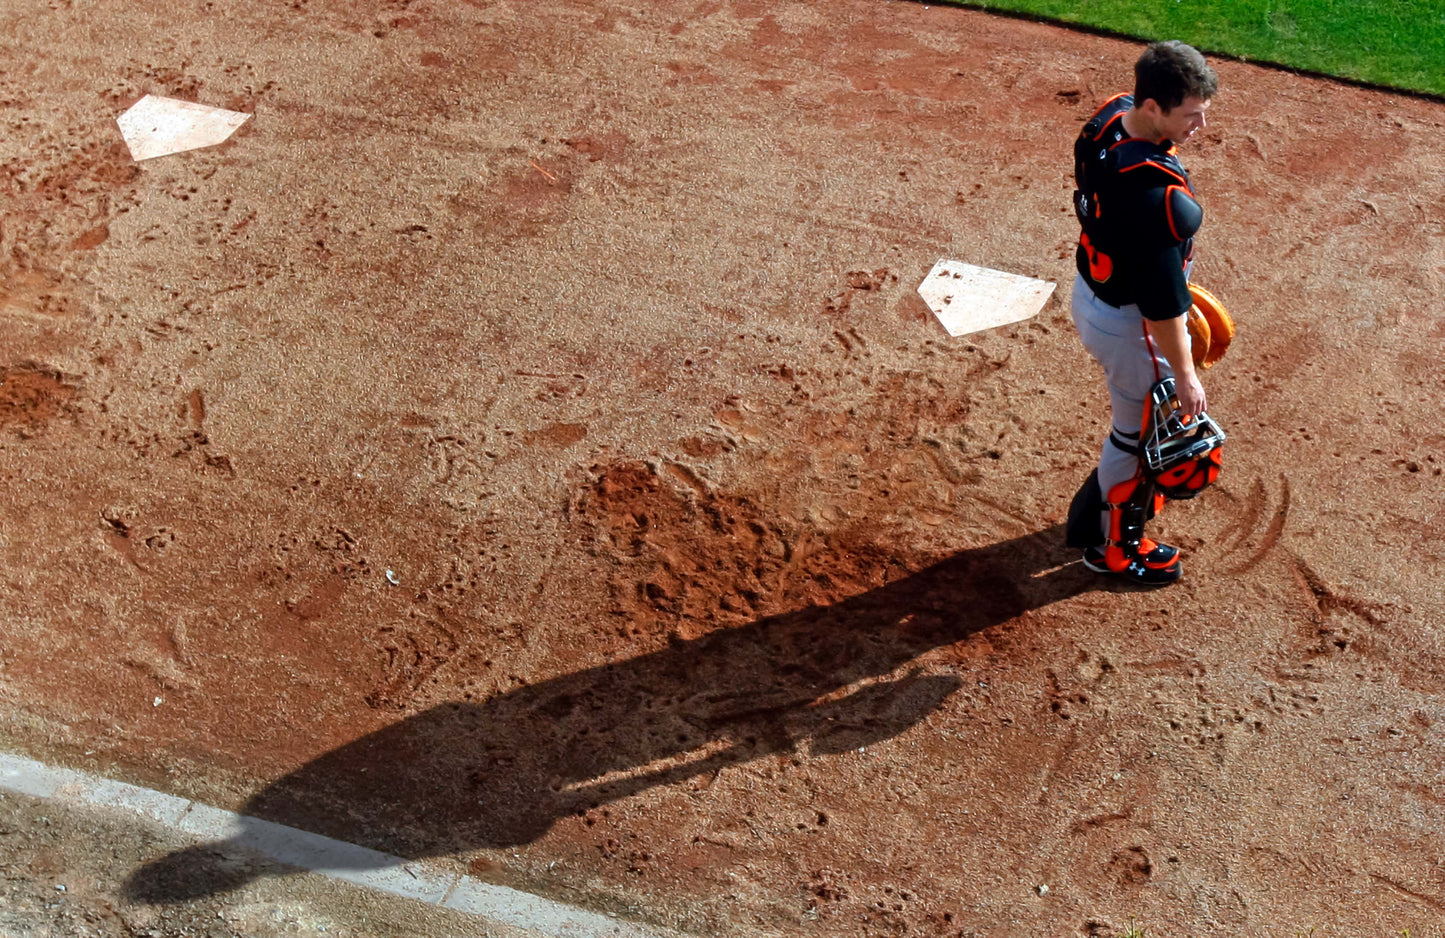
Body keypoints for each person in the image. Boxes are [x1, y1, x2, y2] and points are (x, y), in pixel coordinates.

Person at [1064, 41, 1218, 586]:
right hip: (1131, 324)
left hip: (1092, 292)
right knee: (1142, 437)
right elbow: (1161, 308)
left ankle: (1096, 512)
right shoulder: (1154, 198)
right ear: (1151, 106)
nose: (1199, 124)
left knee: (1135, 431)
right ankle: (1114, 549)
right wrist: (1186, 376)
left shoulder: (1108, 119)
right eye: (1189, 115)